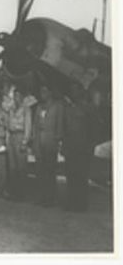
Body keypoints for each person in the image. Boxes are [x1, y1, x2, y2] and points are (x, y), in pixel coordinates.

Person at [62, 83, 93, 212]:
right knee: (71, 175)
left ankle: (81, 204)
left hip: (82, 148)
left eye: (75, 90)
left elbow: (92, 128)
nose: (73, 93)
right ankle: (71, 202)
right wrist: (64, 146)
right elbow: (65, 128)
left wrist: (90, 146)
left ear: (80, 92)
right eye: (71, 90)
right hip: (70, 147)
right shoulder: (68, 108)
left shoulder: (86, 107)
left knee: (81, 176)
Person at [32, 85, 64, 207]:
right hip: (39, 141)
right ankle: (41, 196)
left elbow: (59, 126)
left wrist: (58, 141)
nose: (42, 93)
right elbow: (35, 125)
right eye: (41, 91)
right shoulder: (39, 106)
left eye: (45, 91)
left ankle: (51, 198)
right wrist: (35, 142)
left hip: (51, 142)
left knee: (50, 170)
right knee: (40, 171)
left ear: (50, 92)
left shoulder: (57, 106)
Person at [6, 88, 32, 200]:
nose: (16, 98)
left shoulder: (26, 109)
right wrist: (7, 140)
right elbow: (8, 125)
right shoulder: (11, 109)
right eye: (14, 95)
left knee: (21, 167)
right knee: (12, 167)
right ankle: (14, 192)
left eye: (18, 95)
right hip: (12, 137)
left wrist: (25, 141)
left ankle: (22, 193)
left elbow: (28, 126)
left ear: (22, 97)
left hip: (20, 136)